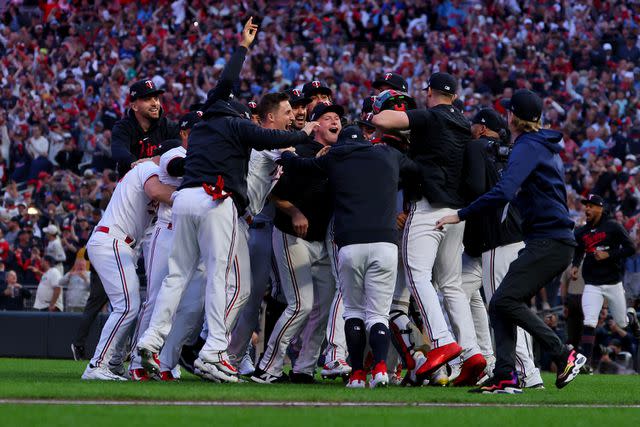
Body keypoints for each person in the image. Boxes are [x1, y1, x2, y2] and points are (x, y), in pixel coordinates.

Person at [136, 17, 319, 384]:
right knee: (220, 279)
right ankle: (214, 351)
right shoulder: (236, 124)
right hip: (215, 201)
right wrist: (304, 134)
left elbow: (226, 82)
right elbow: (266, 139)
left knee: (178, 276)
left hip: (185, 199)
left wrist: (243, 46)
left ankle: (151, 338)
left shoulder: (207, 121)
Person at [436, 89, 587, 394]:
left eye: (508, 111)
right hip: (549, 239)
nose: (505, 115)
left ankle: (562, 353)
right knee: (502, 303)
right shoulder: (542, 146)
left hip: (550, 240)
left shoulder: (527, 146)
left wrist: (461, 214)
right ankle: (505, 376)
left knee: (503, 300)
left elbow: (505, 191)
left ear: (513, 117)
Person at [279, 125, 419, 388]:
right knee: (378, 314)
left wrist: (287, 154)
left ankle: (356, 373)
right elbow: (416, 172)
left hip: (350, 244)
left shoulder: (335, 157)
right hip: (385, 243)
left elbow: (301, 166)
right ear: (366, 140)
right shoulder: (388, 154)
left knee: (353, 311)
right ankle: (379, 368)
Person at [372, 72, 480, 383]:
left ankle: (443, 341)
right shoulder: (464, 124)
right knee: (451, 284)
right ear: (455, 97)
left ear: (430, 92)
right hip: (457, 212)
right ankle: (472, 352)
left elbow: (383, 122)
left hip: (428, 207)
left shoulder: (429, 116)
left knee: (417, 273)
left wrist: (383, 108)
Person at [251, 102, 341, 384]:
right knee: (300, 305)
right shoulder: (296, 152)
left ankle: (304, 367)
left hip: (323, 240)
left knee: (323, 308)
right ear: (315, 126)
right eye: (327, 118)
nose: (335, 121)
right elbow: (273, 192)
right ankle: (268, 367)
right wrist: (294, 211)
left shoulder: (340, 156)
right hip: (292, 234)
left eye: (337, 117)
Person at [80, 142, 179, 381]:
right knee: (127, 306)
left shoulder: (148, 170)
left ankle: (114, 363)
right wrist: (191, 195)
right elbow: (156, 192)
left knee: (128, 307)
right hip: (112, 240)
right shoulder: (149, 170)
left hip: (120, 243)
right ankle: (97, 365)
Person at [461, 108, 543, 388]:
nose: (470, 129)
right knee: (473, 294)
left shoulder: (476, 148)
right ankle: (495, 362)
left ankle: (527, 371)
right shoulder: (510, 151)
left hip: (497, 236)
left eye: (474, 125)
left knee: (503, 306)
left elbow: (473, 187)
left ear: (482, 129)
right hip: (517, 234)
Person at [571, 194, 635, 371]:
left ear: (600, 208)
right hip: (592, 282)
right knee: (590, 321)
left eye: (591, 206)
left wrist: (609, 254)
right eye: (586, 206)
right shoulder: (581, 231)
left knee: (622, 323)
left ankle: (632, 316)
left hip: (613, 282)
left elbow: (631, 248)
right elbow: (578, 251)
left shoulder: (613, 226)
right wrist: (575, 265)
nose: (587, 209)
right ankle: (585, 364)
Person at [110, 78, 180, 176]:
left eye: (156, 98)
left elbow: (182, 147)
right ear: (134, 106)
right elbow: (119, 151)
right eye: (147, 99)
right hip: (131, 182)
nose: (155, 103)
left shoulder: (170, 126)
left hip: (162, 180)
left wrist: (153, 160)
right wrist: (138, 165)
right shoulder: (123, 127)